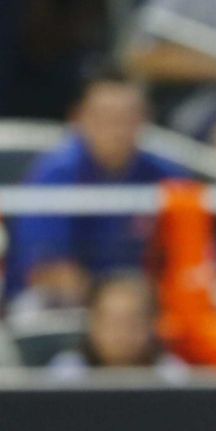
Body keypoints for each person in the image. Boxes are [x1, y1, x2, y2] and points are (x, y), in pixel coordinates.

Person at [5, 67, 188, 306]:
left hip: (143, 304)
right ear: (79, 117)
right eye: (106, 116)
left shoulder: (168, 176)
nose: (117, 129)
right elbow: (45, 270)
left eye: (128, 117)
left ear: (145, 118)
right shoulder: (53, 175)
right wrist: (111, 302)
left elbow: (190, 257)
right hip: (65, 302)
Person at [48, 272, 186, 382]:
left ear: (151, 324)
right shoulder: (66, 374)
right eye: (112, 321)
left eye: (132, 322)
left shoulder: (171, 376)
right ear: (93, 322)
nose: (121, 332)